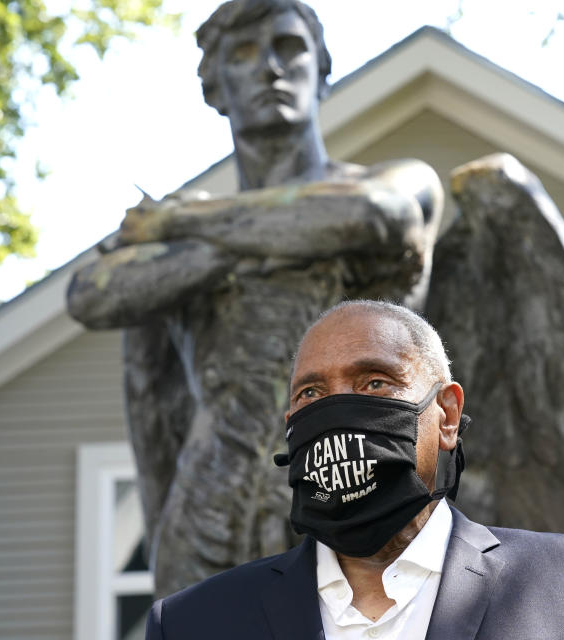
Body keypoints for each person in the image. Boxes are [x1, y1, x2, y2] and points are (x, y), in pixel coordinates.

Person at [66, 0, 443, 597]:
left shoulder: (390, 180)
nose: (269, 68)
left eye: (289, 47)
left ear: (322, 66)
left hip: (356, 487)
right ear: (216, 88)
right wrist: (276, 235)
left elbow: (377, 216)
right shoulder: (184, 232)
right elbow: (94, 295)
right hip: (210, 502)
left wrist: (188, 221)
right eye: (243, 55)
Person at [144, 300, 564, 639]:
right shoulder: (193, 624)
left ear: (449, 415)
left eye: (374, 383)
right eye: (312, 393)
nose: (336, 413)